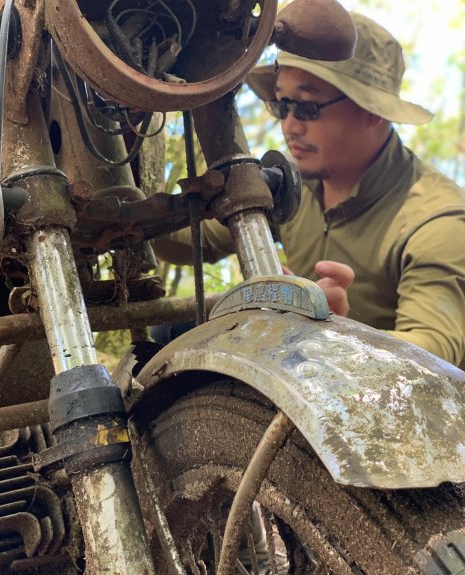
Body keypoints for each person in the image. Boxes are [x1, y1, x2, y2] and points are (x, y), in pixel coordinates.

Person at [153, 12, 465, 368]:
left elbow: (433, 354)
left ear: (373, 110)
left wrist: (334, 332)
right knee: (166, 337)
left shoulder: (437, 221)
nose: (289, 125)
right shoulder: (290, 183)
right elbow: (193, 243)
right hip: (305, 374)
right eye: (281, 105)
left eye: (306, 107)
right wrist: (134, 211)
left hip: (390, 411)